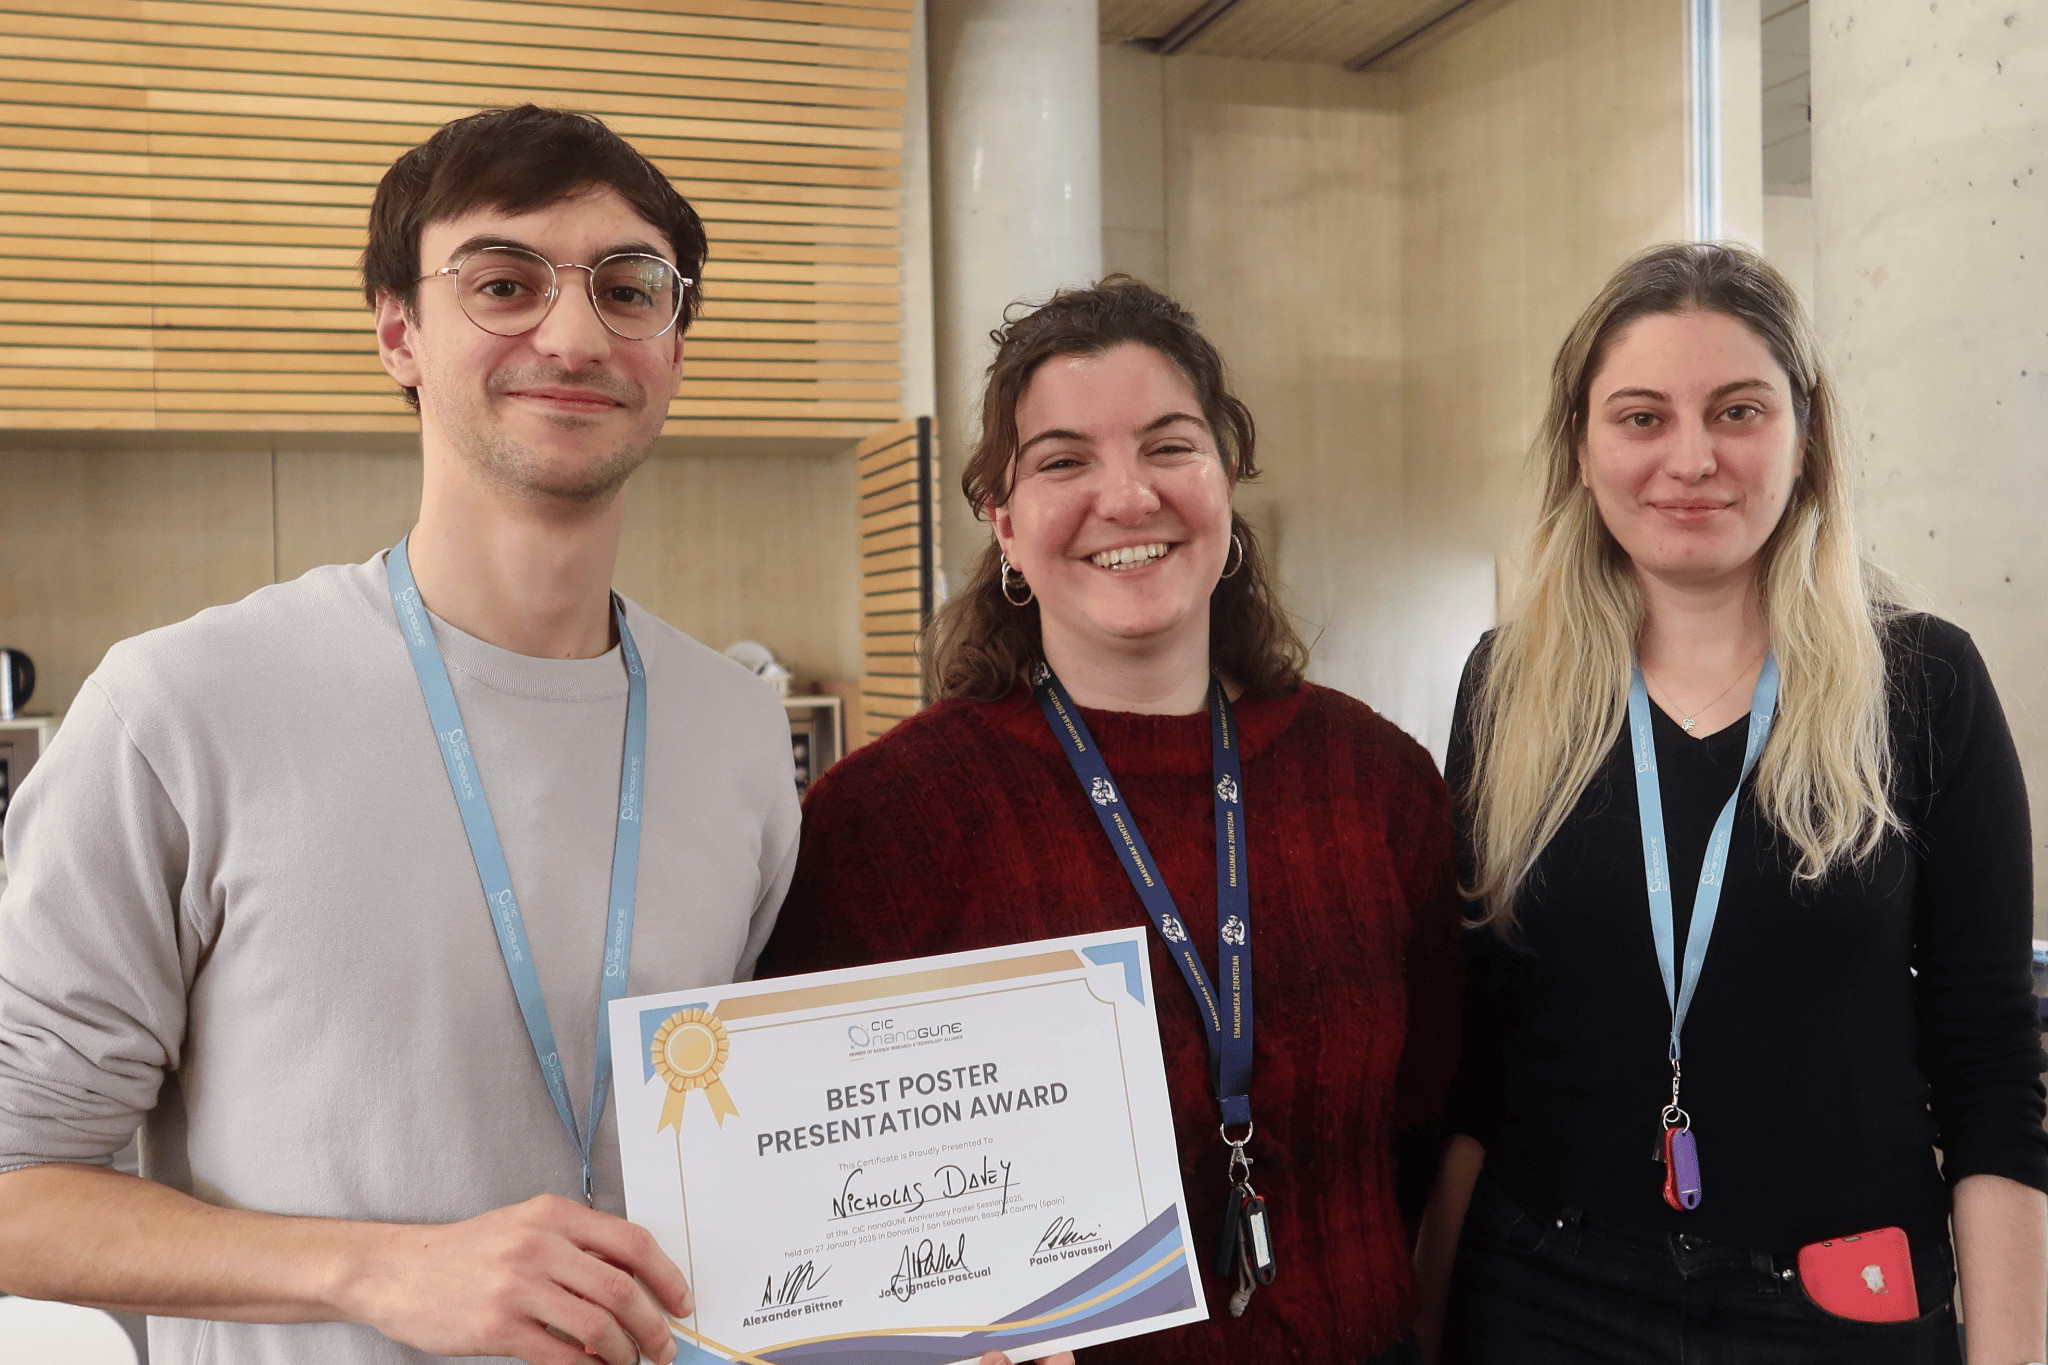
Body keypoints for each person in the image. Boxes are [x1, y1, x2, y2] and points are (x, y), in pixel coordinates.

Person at [0, 106, 800, 1365]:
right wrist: (376, 1271)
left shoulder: (739, 733)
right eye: (503, 282)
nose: (576, 333)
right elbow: (13, 1189)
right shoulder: (178, 708)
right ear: (398, 335)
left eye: (629, 288)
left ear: (675, 344)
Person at [758, 278, 1463, 1365]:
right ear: (1002, 524)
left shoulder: (1375, 782)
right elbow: (803, 1187)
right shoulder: (886, 819)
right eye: (1061, 460)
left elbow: (1430, 1114)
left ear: (1225, 482)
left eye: (1167, 446)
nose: (1125, 496)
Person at [1416, 242, 2048, 1364]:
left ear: (1803, 442)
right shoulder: (1505, 686)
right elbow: (1480, 1046)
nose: (1690, 459)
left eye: (1737, 411)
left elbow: (1990, 1064)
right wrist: (1420, 1321)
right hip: (1543, 1293)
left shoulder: (1923, 685)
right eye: (1641, 417)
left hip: (1835, 1300)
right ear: (1581, 447)